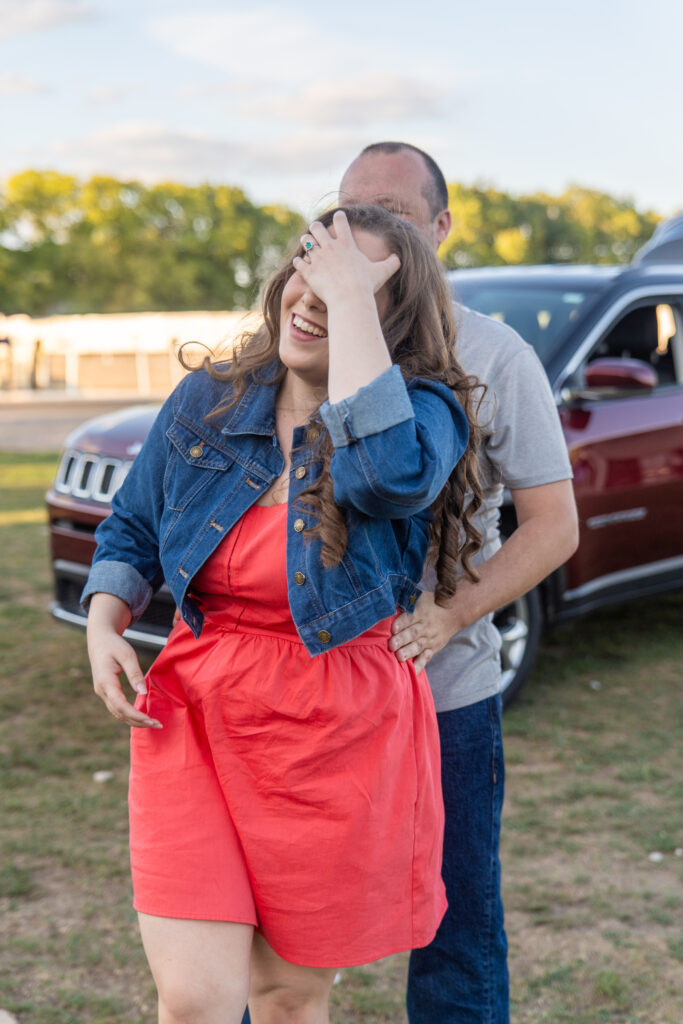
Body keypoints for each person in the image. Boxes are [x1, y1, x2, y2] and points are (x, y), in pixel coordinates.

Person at [82, 204, 485, 1024]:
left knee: (289, 998)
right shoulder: (211, 399)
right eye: (308, 265)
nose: (311, 295)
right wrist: (103, 620)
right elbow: (135, 523)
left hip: (337, 728)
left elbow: (384, 479)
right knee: (196, 1000)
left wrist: (348, 309)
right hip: (196, 714)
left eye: (347, 287)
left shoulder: (426, 413)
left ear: (392, 321)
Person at [340, 143, 579, 1024]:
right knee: (271, 931)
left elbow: (553, 526)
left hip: (443, 698)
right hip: (307, 701)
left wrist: (452, 610)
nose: (364, 231)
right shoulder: (302, 336)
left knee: (455, 927)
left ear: (439, 230)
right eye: (347, 211)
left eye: (392, 216)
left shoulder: (493, 353)